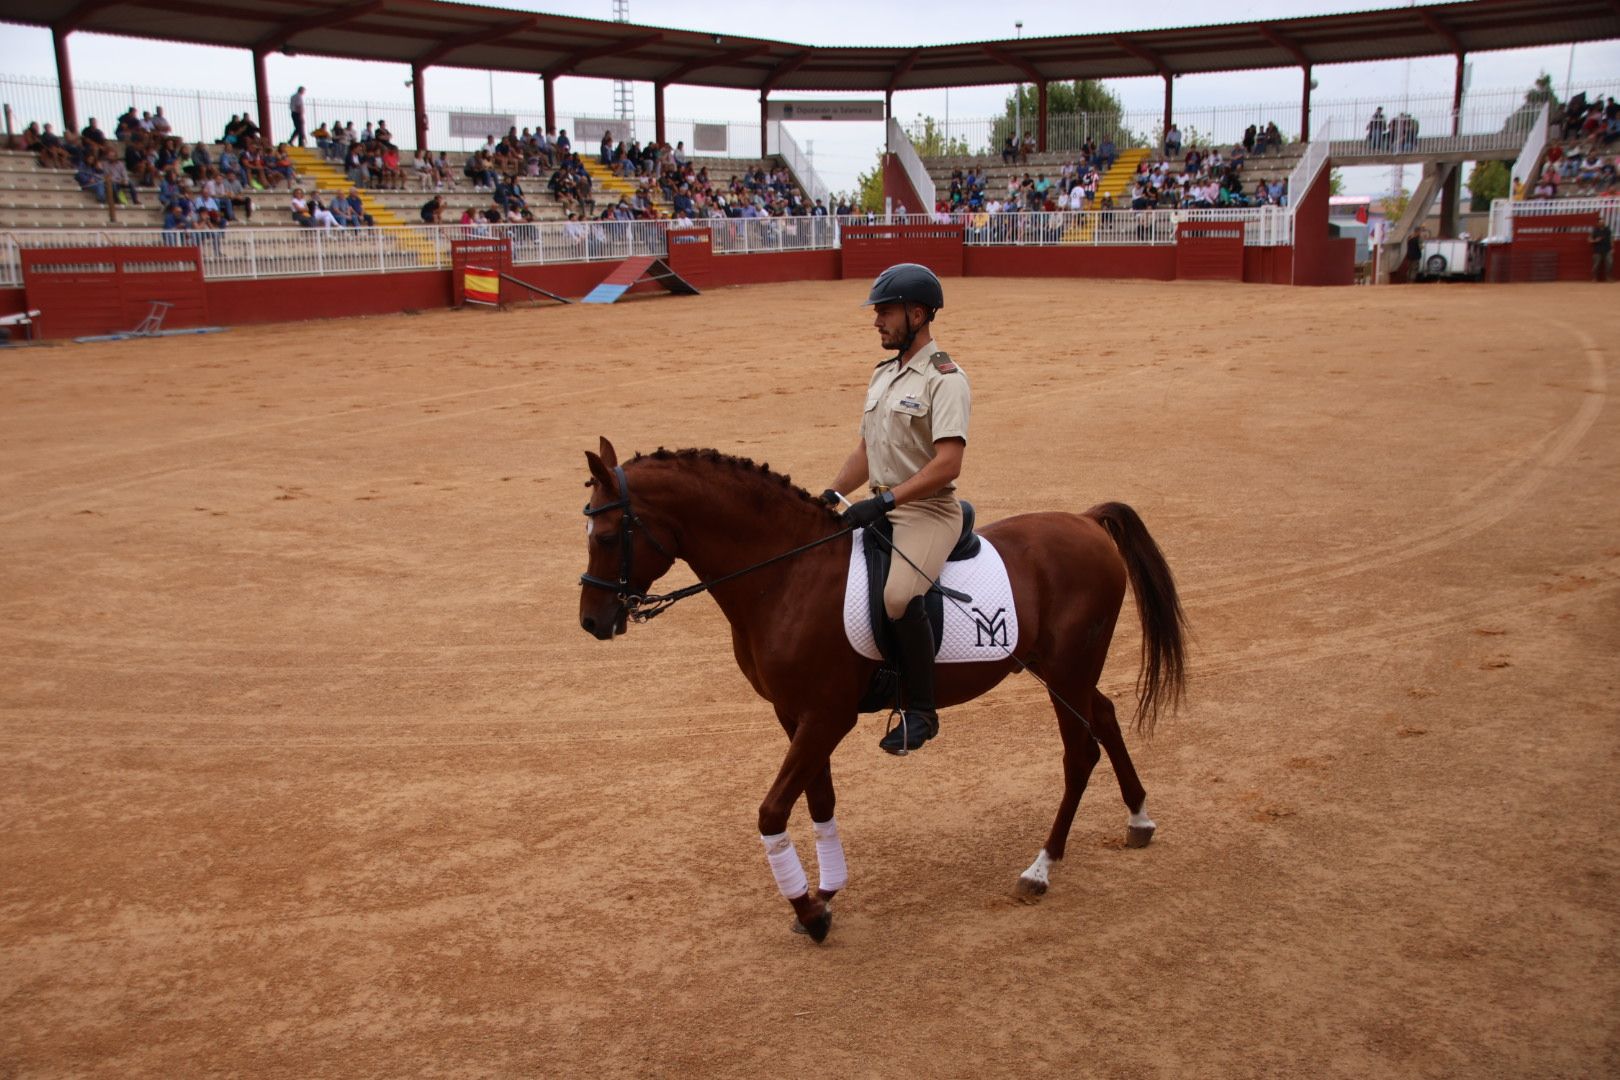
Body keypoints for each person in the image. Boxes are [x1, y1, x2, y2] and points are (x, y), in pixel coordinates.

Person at [822, 264, 970, 756]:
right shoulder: (884, 375)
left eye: (885, 311)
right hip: (881, 507)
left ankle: (922, 712)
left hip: (927, 512)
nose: (876, 321)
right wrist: (832, 494)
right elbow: (867, 451)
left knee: (899, 597)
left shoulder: (945, 379)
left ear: (918, 313)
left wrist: (884, 500)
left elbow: (948, 463)